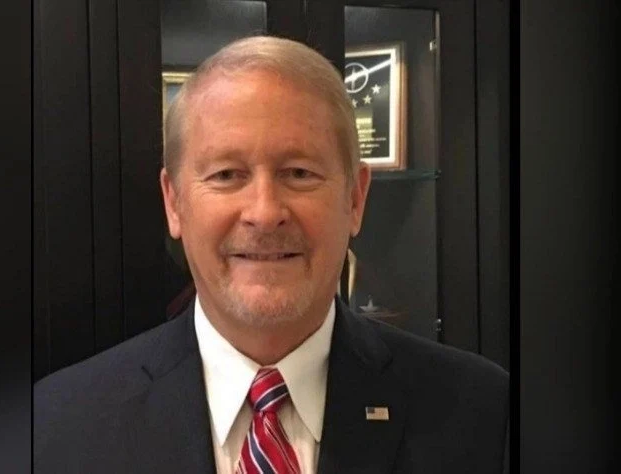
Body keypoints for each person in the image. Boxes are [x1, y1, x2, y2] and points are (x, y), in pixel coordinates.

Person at [34, 36, 508, 473]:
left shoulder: (483, 413)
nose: (264, 213)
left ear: (355, 199)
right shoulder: (59, 426)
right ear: (174, 202)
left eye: (299, 173)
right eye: (226, 175)